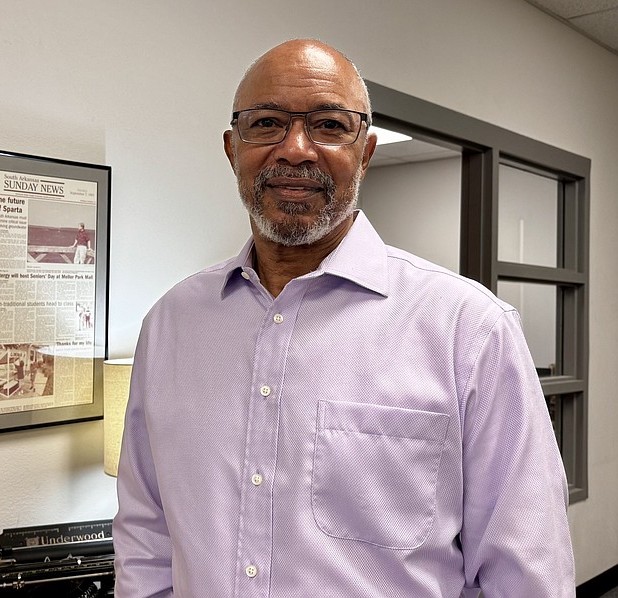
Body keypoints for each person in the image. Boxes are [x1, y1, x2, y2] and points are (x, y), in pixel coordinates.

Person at [113, 39, 575, 598]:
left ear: (367, 151)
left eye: (329, 125)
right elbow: (146, 534)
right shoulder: (171, 324)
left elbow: (528, 572)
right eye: (267, 123)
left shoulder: (468, 331)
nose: (297, 149)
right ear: (233, 148)